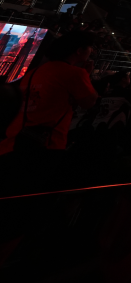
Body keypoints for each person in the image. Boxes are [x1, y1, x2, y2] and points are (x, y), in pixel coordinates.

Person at [0, 31, 98, 189]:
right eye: (90, 48)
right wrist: (87, 74)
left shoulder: (35, 71)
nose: (91, 51)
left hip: (13, 141)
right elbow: (89, 102)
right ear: (79, 50)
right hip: (46, 144)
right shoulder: (75, 73)